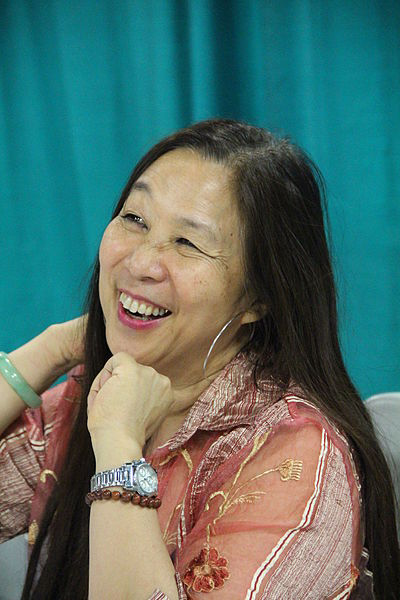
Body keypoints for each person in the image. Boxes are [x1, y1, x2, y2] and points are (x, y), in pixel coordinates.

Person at [0, 118, 398, 600]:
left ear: (258, 298)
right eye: (134, 219)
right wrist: (55, 348)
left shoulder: (293, 453)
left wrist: (118, 444)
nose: (140, 263)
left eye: (187, 243)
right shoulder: (96, 391)